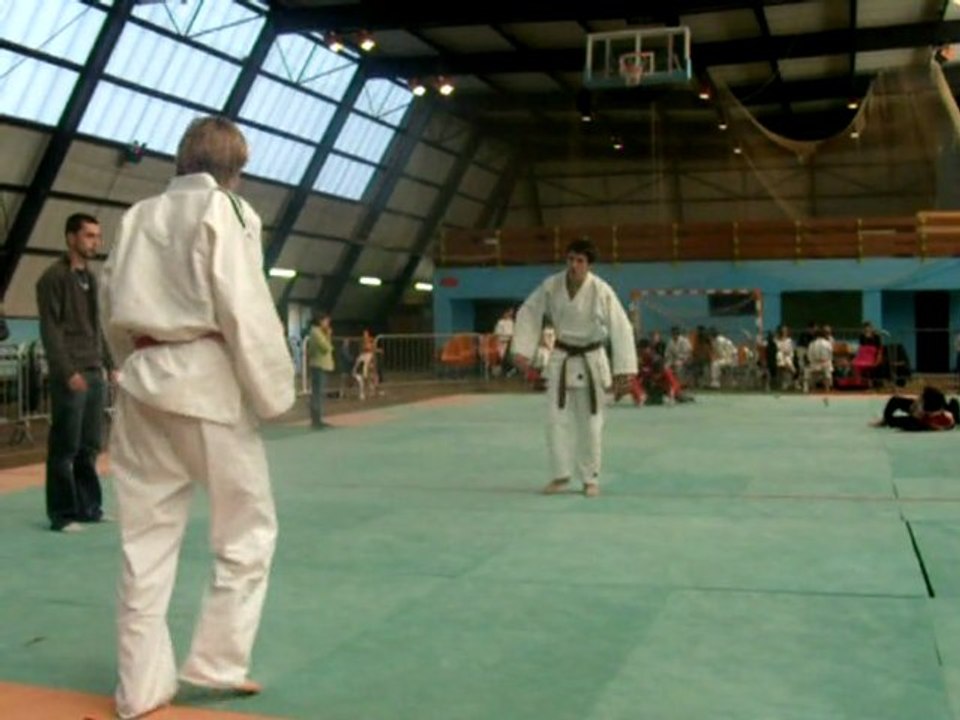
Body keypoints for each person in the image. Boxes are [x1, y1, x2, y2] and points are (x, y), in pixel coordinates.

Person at [99, 117, 295, 720]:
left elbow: (110, 301)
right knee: (246, 531)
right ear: (235, 168)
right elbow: (244, 305)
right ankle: (215, 662)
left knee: (145, 543)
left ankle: (139, 688)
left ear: (183, 161)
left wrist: (125, 366)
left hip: (141, 381)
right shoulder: (230, 212)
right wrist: (273, 393)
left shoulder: (137, 215)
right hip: (205, 384)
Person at [511, 237, 637, 498]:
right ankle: (560, 475)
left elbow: (621, 326)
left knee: (591, 423)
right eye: (570, 259)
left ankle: (590, 478)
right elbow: (529, 311)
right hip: (561, 356)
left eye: (580, 260)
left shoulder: (601, 290)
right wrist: (522, 350)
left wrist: (624, 369)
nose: (574, 265)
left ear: (589, 264)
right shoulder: (552, 285)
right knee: (555, 421)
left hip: (592, 359)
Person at [36, 212, 114, 532]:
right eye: (89, 236)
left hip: (94, 370)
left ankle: (89, 508)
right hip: (71, 373)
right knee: (65, 446)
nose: (95, 241)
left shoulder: (91, 278)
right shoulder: (52, 278)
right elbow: (50, 331)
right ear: (71, 238)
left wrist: (111, 363)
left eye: (97, 236)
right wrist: (67, 371)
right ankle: (62, 514)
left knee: (89, 445)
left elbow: (96, 325)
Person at [870, 386, 958, 431]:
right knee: (895, 400)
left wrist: (917, 413)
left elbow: (906, 423)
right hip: (930, 410)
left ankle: (886, 420)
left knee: (893, 419)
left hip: (922, 416)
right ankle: (886, 419)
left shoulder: (923, 422)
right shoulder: (948, 414)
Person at [307, 313, 335, 428]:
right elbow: (326, 348)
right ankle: (316, 419)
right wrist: (328, 335)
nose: (328, 324)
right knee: (317, 393)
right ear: (320, 321)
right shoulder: (316, 333)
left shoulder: (317, 333)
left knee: (318, 392)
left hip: (320, 365)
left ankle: (317, 418)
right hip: (319, 366)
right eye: (326, 321)